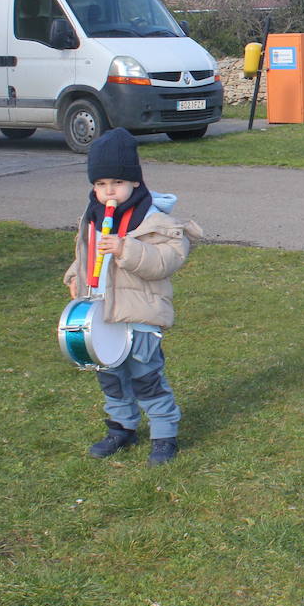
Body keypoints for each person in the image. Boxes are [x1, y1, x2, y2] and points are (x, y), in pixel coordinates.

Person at [65, 127, 203, 465]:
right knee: (111, 376)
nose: (108, 191)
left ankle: (164, 433)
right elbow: (85, 254)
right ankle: (121, 427)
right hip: (102, 311)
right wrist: (74, 275)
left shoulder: (157, 222)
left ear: (135, 183)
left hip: (140, 315)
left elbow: (165, 262)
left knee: (146, 378)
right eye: (100, 185)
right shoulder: (93, 218)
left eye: (116, 183)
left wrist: (128, 248)